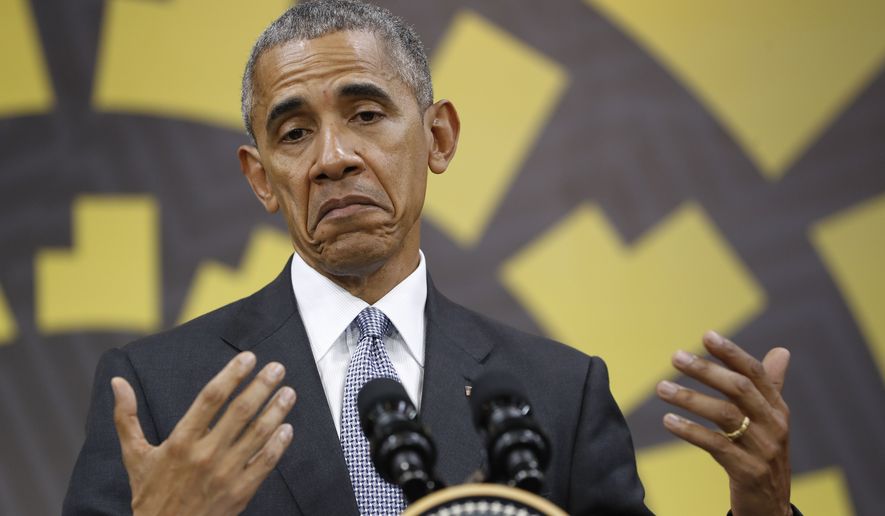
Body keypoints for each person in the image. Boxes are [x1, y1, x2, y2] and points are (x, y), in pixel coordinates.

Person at [63, 1, 796, 515]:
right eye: (292, 134)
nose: (333, 158)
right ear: (261, 178)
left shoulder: (558, 392)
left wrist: (760, 512)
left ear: (438, 138)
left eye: (366, 114)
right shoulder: (163, 391)